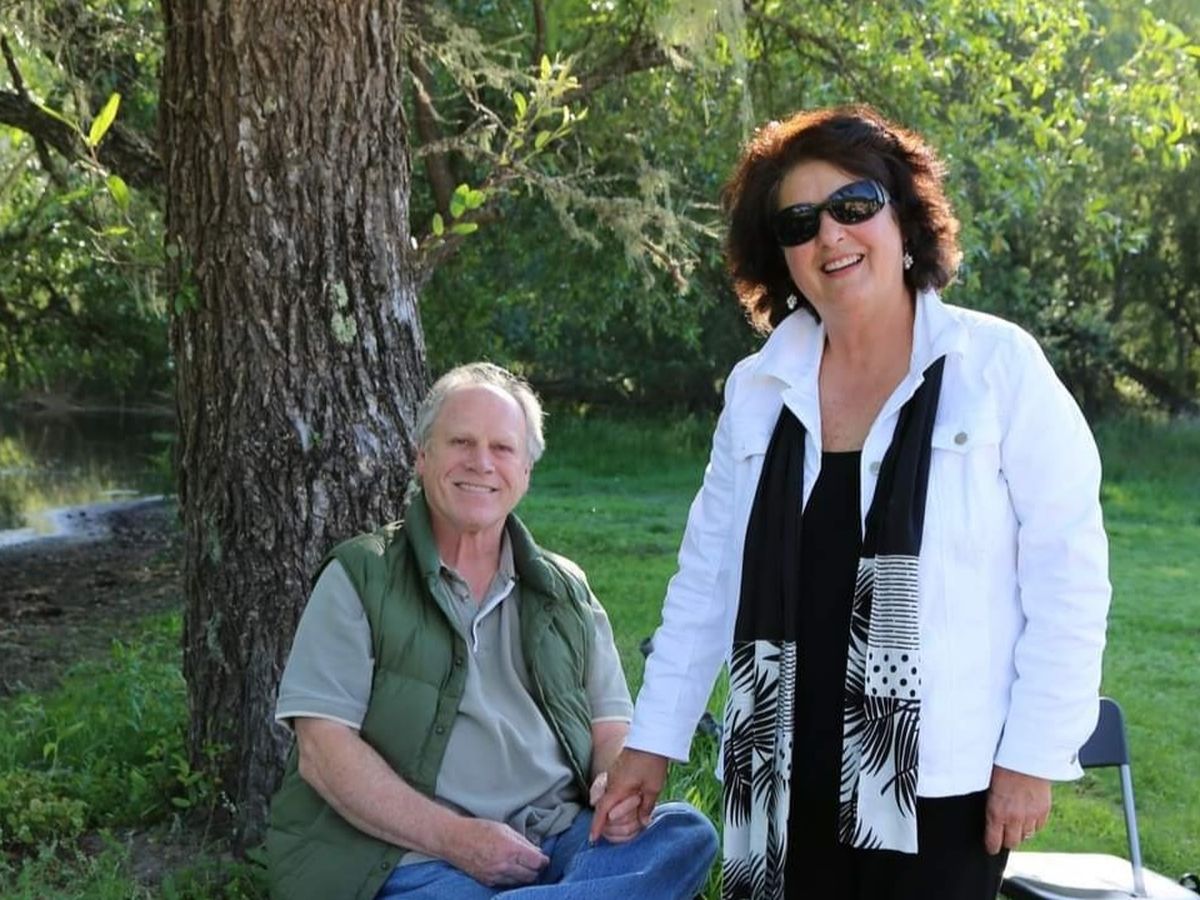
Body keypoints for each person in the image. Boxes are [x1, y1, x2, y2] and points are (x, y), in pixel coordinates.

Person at [592, 105, 1111, 899]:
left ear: (904, 218)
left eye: (854, 204)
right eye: (799, 223)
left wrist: (1033, 755)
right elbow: (705, 585)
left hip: (938, 780)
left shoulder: (997, 369)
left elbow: (1068, 577)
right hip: (776, 768)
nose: (830, 235)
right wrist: (651, 743)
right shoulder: (758, 391)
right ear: (781, 257)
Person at [266, 362, 717, 900]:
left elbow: (609, 729)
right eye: (461, 442)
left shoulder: (566, 588)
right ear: (422, 456)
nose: (481, 462)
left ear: (525, 470)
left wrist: (608, 785)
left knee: (685, 834)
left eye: (502, 448)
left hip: (560, 841)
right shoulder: (359, 576)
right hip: (415, 857)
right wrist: (456, 839)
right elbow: (323, 753)